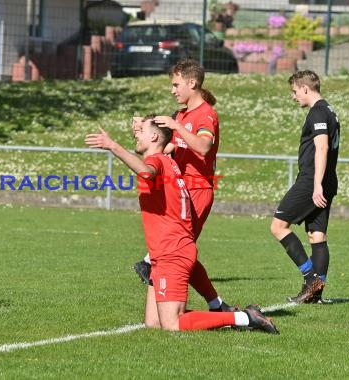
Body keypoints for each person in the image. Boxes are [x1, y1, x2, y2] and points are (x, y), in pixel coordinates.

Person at [85, 116, 278, 334]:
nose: (136, 134)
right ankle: (227, 312)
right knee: (154, 322)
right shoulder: (170, 162)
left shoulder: (157, 161)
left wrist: (112, 146)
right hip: (166, 252)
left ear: (154, 136)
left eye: (142, 131)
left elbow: (146, 172)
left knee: (172, 324)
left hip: (172, 253)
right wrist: (142, 123)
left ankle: (245, 318)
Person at [133, 59, 231, 313]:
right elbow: (164, 148)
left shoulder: (205, 114)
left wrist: (177, 127)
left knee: (178, 249)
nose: (173, 90)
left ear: (192, 83)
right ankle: (215, 305)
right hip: (179, 189)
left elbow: (203, 146)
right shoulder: (181, 114)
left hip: (198, 190)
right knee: (182, 248)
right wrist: (140, 132)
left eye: (176, 85)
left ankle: (173, 300)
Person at [270, 70, 340, 304]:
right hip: (327, 180)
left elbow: (322, 147)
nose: (294, 96)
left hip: (313, 181)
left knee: (278, 226)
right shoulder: (330, 110)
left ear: (305, 89)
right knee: (316, 235)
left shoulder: (317, 112)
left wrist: (316, 185)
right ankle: (315, 295)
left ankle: (312, 280)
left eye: (294, 91)